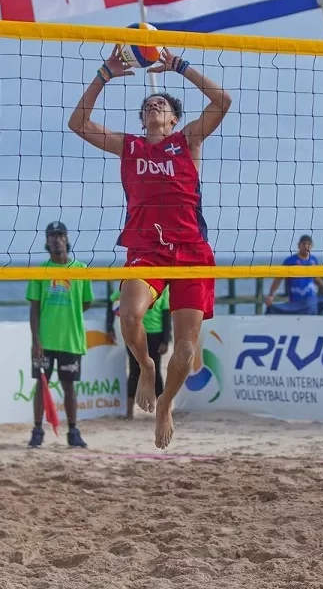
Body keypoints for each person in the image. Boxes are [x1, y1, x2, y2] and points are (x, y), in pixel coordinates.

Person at [67, 40, 231, 450]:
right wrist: (104, 73)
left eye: (163, 105)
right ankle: (144, 365)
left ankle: (166, 404)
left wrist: (179, 65)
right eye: (149, 105)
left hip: (192, 249)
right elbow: (78, 123)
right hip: (147, 247)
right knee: (129, 315)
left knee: (187, 347)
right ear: (142, 119)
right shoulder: (131, 146)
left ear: (175, 118)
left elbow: (222, 100)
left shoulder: (188, 141)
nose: (155, 107)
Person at [26, 221, 94, 449]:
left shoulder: (80, 270)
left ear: (66, 238)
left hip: (71, 340)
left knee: (69, 388)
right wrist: (36, 339)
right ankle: (37, 431)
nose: (56, 239)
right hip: (45, 340)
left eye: (60, 235)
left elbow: (85, 303)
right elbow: (34, 308)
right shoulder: (40, 271)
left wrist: (67, 317)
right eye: (52, 235)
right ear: (46, 241)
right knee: (41, 386)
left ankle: (73, 432)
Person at [107, 285, 172, 419]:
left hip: (155, 334)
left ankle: (164, 411)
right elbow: (112, 301)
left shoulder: (162, 286)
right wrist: (109, 326)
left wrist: (166, 340)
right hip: (135, 333)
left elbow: (166, 316)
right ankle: (129, 413)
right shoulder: (132, 283)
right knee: (134, 371)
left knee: (156, 373)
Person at [265, 234, 323, 315]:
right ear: (299, 245)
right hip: (295, 302)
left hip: (311, 302)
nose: (306, 246)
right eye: (304, 244)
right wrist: (271, 295)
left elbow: (317, 280)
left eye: (308, 244)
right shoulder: (290, 261)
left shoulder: (313, 260)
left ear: (312, 246)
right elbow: (278, 280)